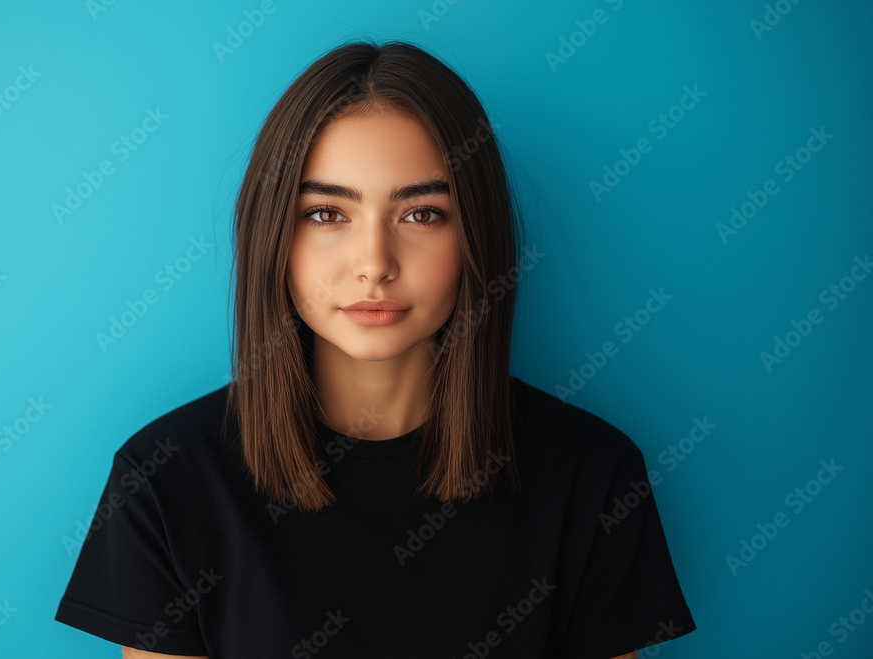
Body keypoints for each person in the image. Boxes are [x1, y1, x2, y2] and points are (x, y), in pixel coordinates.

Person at [54, 39, 696, 658]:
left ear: (477, 237)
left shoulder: (593, 475)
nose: (374, 264)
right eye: (327, 214)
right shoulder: (165, 480)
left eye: (421, 215)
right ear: (273, 234)